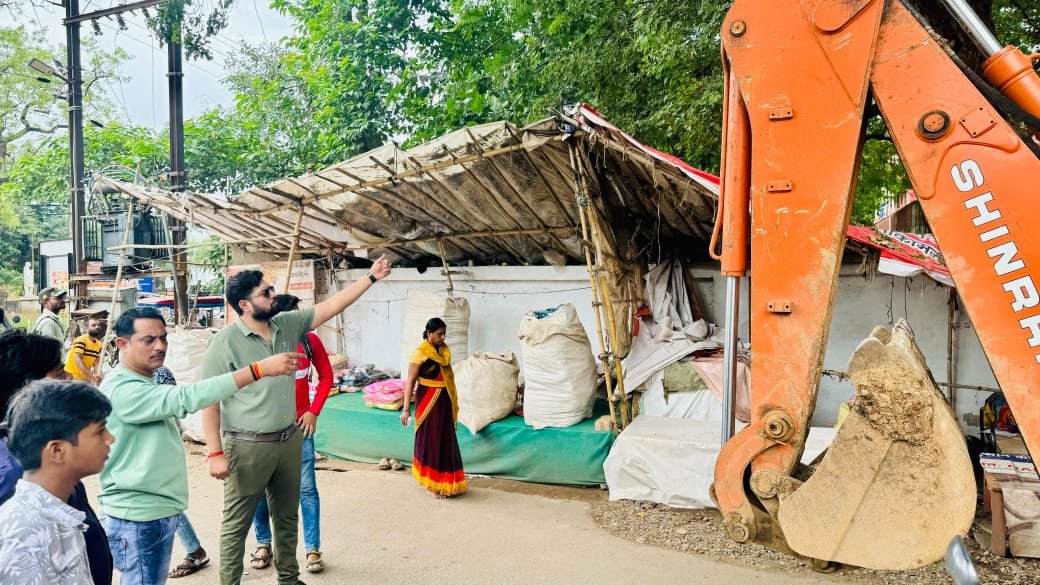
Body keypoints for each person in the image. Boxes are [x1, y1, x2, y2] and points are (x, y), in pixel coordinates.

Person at [201, 256, 391, 585]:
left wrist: (371, 278)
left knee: (287, 516)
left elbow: (332, 306)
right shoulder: (224, 343)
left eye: (271, 289)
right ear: (245, 304)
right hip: (246, 446)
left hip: (289, 440)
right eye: (266, 292)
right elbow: (209, 399)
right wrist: (214, 452)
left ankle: (289, 578)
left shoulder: (287, 324)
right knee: (236, 525)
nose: (273, 295)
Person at [98, 307, 303, 585]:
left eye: (163, 338)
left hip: (151, 512)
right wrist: (258, 370)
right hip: (139, 517)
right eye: (149, 340)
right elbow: (189, 396)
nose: (160, 346)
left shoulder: (143, 381)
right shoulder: (125, 390)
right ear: (122, 344)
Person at [0, 329, 113, 585]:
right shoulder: (14, 476)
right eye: (59, 374)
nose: (69, 377)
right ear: (31, 392)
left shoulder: (50, 461)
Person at [249, 294, 333, 575]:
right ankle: (264, 544)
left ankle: (312, 549)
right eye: (295, 317)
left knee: (307, 490)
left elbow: (327, 376)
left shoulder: (310, 341)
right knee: (259, 491)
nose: (301, 322)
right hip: (262, 431)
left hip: (300, 429)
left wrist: (314, 411)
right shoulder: (259, 344)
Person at [150, 366, 210, 580]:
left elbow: (166, 409)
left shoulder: (158, 374)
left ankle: (195, 552)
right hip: (152, 453)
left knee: (167, 503)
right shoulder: (130, 375)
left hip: (159, 452)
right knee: (165, 503)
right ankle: (195, 550)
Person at [400, 317, 467, 498]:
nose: (443, 337)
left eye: (444, 333)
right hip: (428, 399)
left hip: (444, 400)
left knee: (446, 439)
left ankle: (447, 482)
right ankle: (432, 484)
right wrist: (406, 409)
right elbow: (411, 382)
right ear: (429, 333)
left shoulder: (444, 350)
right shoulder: (419, 354)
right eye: (439, 334)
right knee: (432, 439)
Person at [66, 317, 106, 383]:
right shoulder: (81, 340)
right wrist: (90, 375)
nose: (97, 327)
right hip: (73, 377)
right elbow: (77, 359)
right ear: (86, 328)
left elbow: (96, 362)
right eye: (93, 325)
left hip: (86, 378)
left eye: (98, 325)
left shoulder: (99, 344)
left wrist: (100, 376)